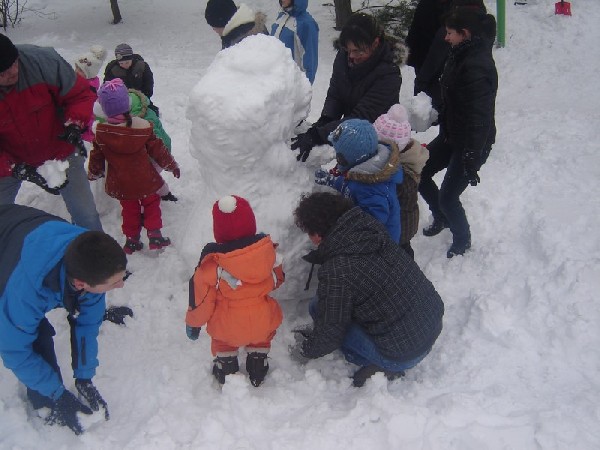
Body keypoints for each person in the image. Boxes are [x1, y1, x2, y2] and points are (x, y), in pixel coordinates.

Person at [291, 192, 444, 387]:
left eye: (309, 233)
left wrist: (306, 350)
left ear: (318, 234)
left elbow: (331, 333)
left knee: (319, 309)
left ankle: (384, 366)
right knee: (332, 304)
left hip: (404, 353)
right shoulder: (369, 228)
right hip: (431, 323)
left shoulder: (339, 270)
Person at [0, 204, 128, 435]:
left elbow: (87, 324)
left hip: (24, 230)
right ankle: (46, 403)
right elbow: (15, 350)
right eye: (114, 282)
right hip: (10, 254)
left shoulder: (90, 258)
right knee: (34, 337)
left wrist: (84, 378)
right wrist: (57, 394)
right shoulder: (25, 291)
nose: (120, 285)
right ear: (80, 284)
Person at [0, 34, 102, 231]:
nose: (12, 72)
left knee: (86, 214)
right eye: (3, 72)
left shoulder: (43, 61)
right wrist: (12, 167)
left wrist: (75, 124)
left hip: (61, 148)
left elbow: (80, 94)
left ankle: (97, 249)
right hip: (10, 161)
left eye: (14, 64)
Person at [418, 7, 497, 258]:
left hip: (472, 142)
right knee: (419, 172)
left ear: (465, 33)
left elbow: (479, 118)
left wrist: (472, 156)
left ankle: (462, 240)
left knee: (449, 197)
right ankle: (441, 217)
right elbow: (453, 96)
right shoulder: (460, 53)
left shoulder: (477, 66)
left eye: (450, 33)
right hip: (451, 134)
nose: (446, 37)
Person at [185, 195, 284, 387]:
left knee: (223, 342)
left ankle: (226, 366)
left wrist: (193, 322)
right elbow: (277, 280)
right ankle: (258, 364)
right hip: (262, 320)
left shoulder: (212, 266)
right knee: (261, 339)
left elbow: (201, 300)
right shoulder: (268, 254)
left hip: (228, 325)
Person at [291, 12, 402, 162]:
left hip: (375, 144)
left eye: (358, 51)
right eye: (348, 50)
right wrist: (325, 120)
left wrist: (319, 135)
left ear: (375, 43)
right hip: (350, 134)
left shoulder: (389, 75)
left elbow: (362, 117)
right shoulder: (344, 56)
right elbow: (336, 93)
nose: (351, 56)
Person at [88, 78, 180, 254]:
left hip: (121, 183)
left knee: (129, 210)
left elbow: (96, 157)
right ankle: (155, 236)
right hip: (145, 179)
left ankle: (132, 240)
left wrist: (94, 172)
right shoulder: (143, 128)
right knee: (151, 204)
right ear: (128, 104)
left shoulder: (102, 133)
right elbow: (158, 150)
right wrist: (171, 165)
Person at [314, 118, 403, 243]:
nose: (336, 157)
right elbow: (350, 186)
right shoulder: (363, 172)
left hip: (378, 245)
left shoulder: (372, 190)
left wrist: (335, 234)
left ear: (352, 157)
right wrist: (333, 181)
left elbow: (369, 228)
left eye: (339, 155)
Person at [94, 87, 178, 202]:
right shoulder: (135, 120)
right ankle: (155, 197)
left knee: (146, 185)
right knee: (148, 185)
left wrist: (95, 171)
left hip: (147, 162)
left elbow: (158, 146)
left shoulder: (143, 123)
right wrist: (171, 165)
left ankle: (160, 195)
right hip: (139, 167)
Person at [410, 0, 492, 113]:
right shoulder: (482, 24)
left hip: (458, 109)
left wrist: (420, 83)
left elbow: (432, 64)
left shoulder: (455, 24)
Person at [374, 104, 429, 258]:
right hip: (405, 221)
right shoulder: (405, 158)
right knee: (404, 250)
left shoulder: (401, 176)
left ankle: (407, 269)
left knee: (400, 253)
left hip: (401, 227)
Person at [270, 0, 319, 84]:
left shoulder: (306, 23)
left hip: (291, 84)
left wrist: (305, 88)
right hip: (274, 81)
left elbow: (310, 62)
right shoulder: (281, 17)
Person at [103, 43, 158, 115]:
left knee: (152, 114)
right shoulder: (112, 69)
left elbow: (148, 84)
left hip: (141, 99)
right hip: (119, 102)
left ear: (131, 59)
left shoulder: (141, 66)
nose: (124, 65)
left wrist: (142, 97)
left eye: (127, 62)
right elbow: (107, 87)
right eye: (121, 63)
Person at [74, 45, 107, 144]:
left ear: (89, 74)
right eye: (76, 67)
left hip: (82, 124)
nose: (76, 71)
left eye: (80, 70)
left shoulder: (89, 89)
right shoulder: (79, 81)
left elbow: (84, 111)